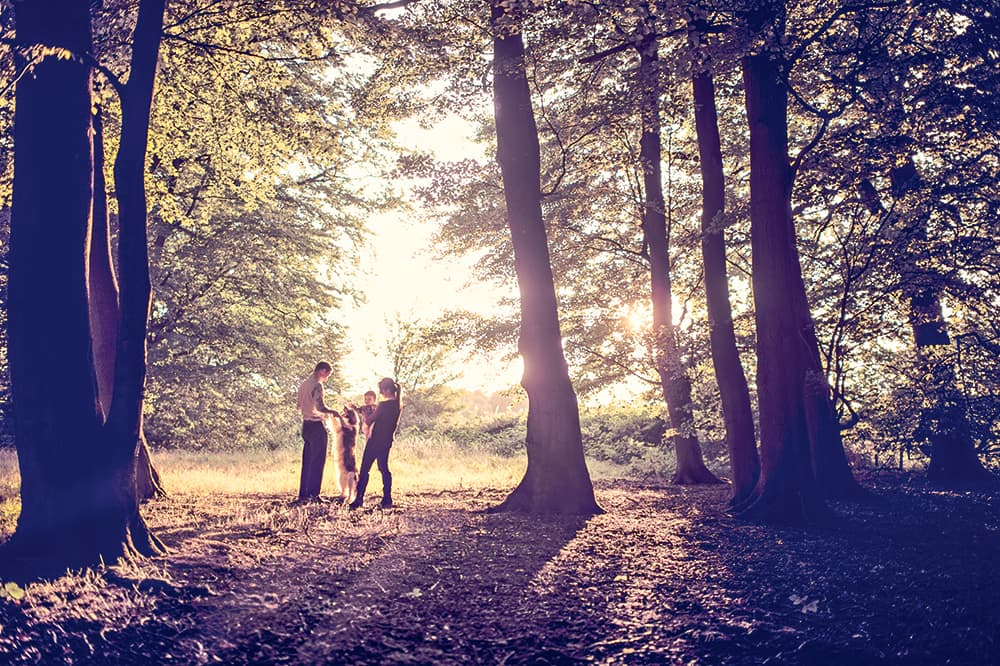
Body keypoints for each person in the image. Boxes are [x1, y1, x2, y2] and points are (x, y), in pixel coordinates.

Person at [349, 377, 402, 510]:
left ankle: (359, 499)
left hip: (375, 441)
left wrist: (365, 414)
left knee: (365, 468)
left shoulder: (383, 406)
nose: (380, 393)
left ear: (387, 390)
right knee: (384, 468)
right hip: (387, 440)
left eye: (381, 390)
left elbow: (368, 421)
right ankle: (387, 498)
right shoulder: (398, 405)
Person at [294, 361, 339, 504]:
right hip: (316, 425)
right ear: (322, 370)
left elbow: (299, 406)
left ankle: (303, 494)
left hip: (305, 425)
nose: (327, 377)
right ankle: (314, 495)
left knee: (307, 461)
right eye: (328, 374)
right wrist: (333, 412)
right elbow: (320, 407)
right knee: (318, 461)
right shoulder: (317, 385)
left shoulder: (303, 384)